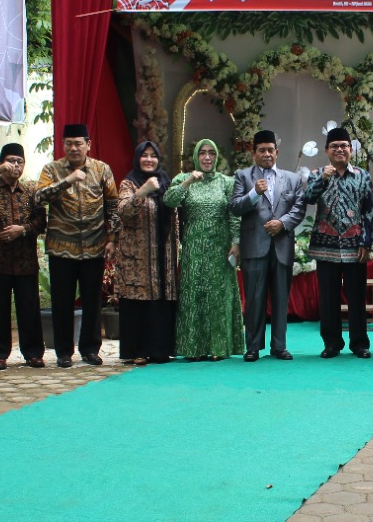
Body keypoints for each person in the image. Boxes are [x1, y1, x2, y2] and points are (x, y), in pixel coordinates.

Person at [36, 123, 120, 367]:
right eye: (69, 144)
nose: (74, 148)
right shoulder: (51, 169)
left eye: (79, 143)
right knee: (62, 301)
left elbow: (112, 205)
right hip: (61, 247)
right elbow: (39, 198)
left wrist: (112, 239)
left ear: (88, 145)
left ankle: (90, 349)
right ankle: (63, 352)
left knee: (93, 300)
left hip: (94, 246)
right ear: (62, 145)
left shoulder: (101, 169)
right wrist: (68, 180)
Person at [229, 130, 307, 362]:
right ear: (253, 153)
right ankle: (253, 346)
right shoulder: (243, 177)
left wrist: (282, 223)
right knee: (254, 298)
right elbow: (234, 207)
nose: (266, 154)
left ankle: (279, 346)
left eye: (270, 150)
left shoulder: (291, 178)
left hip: (282, 244)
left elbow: (299, 208)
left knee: (281, 298)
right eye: (261, 150)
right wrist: (254, 193)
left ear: (277, 152)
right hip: (254, 246)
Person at [164, 138, 244, 360]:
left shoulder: (226, 182)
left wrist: (236, 242)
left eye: (211, 153)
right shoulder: (183, 178)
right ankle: (193, 348)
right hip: (194, 247)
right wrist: (189, 180)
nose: (207, 157)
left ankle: (219, 347)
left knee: (219, 296)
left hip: (221, 248)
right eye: (202, 153)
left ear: (217, 156)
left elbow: (234, 214)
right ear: (196, 157)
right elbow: (169, 201)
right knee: (194, 295)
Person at [0, 143, 47, 371]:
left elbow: (41, 221)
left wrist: (21, 230)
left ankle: (33, 353)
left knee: (29, 308)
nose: (15, 165)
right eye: (11, 160)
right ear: (1, 162)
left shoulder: (32, 190)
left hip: (25, 261)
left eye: (19, 161)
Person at [305, 127, 373, 359]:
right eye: (334, 146)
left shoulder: (363, 176)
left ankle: (359, 344)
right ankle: (332, 343)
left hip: (355, 245)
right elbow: (308, 198)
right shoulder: (317, 174)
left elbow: (369, 211)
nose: (339, 150)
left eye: (344, 146)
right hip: (326, 246)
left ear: (351, 150)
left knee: (357, 296)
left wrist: (366, 242)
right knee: (329, 298)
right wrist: (323, 179)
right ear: (327, 150)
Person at [114, 140, 180, 365]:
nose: (149, 159)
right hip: (138, 259)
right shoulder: (129, 183)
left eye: (153, 155)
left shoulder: (166, 182)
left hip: (164, 257)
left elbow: (176, 214)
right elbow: (122, 211)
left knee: (161, 300)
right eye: (145, 155)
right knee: (138, 302)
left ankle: (161, 349)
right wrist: (142, 192)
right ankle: (138, 350)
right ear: (137, 158)